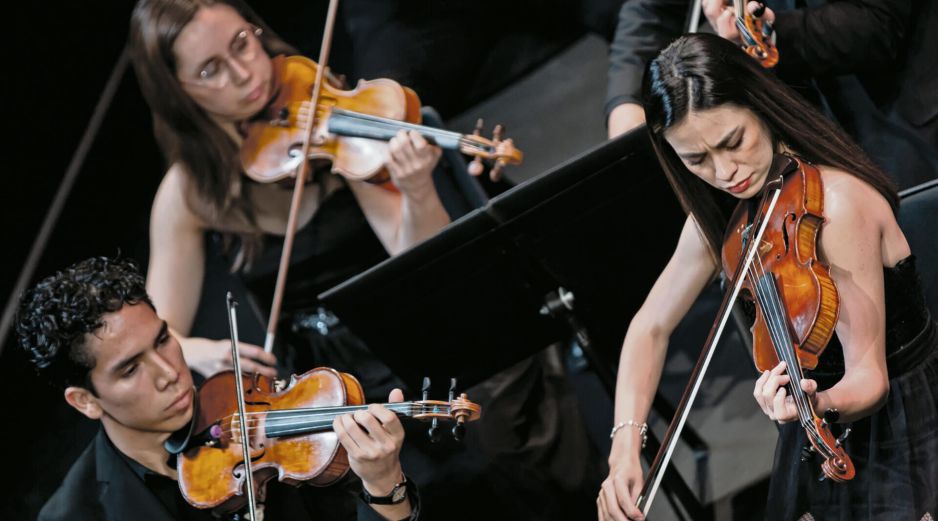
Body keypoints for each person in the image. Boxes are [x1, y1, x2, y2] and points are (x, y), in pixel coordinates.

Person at [598, 34, 937, 521]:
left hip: (905, 420)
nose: (725, 171)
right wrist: (625, 446)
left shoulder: (836, 207)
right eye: (696, 160)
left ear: (759, 105)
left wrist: (814, 405)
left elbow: (870, 379)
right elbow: (648, 327)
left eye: (732, 141)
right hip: (818, 426)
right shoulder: (724, 221)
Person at [128, 0, 450, 384]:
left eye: (242, 43)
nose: (243, 73)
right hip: (319, 385)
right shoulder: (190, 191)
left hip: (413, 340)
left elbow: (420, 254)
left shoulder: (318, 106)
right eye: (210, 70)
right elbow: (156, 333)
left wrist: (418, 191)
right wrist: (201, 351)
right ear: (177, 93)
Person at [15, 256, 418, 521]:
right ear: (84, 401)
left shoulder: (253, 413)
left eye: (162, 341)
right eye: (130, 369)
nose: (170, 373)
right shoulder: (79, 513)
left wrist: (384, 484)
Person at [605, 0, 938, 189]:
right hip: (800, 122)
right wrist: (626, 102)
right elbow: (649, 12)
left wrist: (771, 35)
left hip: (903, 106)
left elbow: (877, 25)